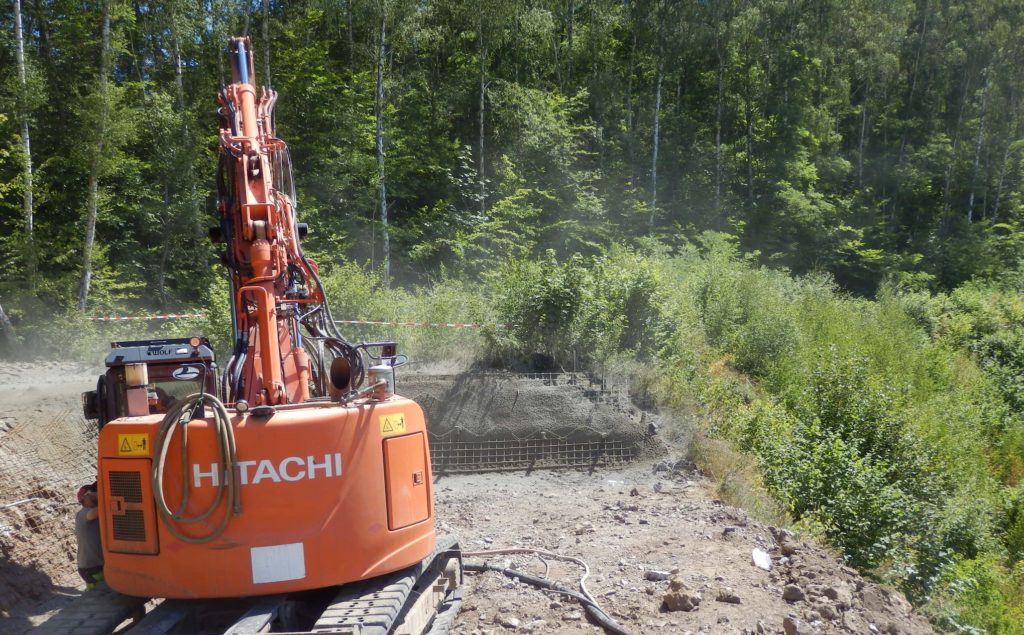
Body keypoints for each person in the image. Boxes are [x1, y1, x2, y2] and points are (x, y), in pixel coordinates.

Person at [75, 482, 104, 589]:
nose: (98, 494)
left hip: (92, 568)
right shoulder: (83, 513)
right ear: (86, 496)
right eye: (95, 493)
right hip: (93, 569)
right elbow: (103, 508)